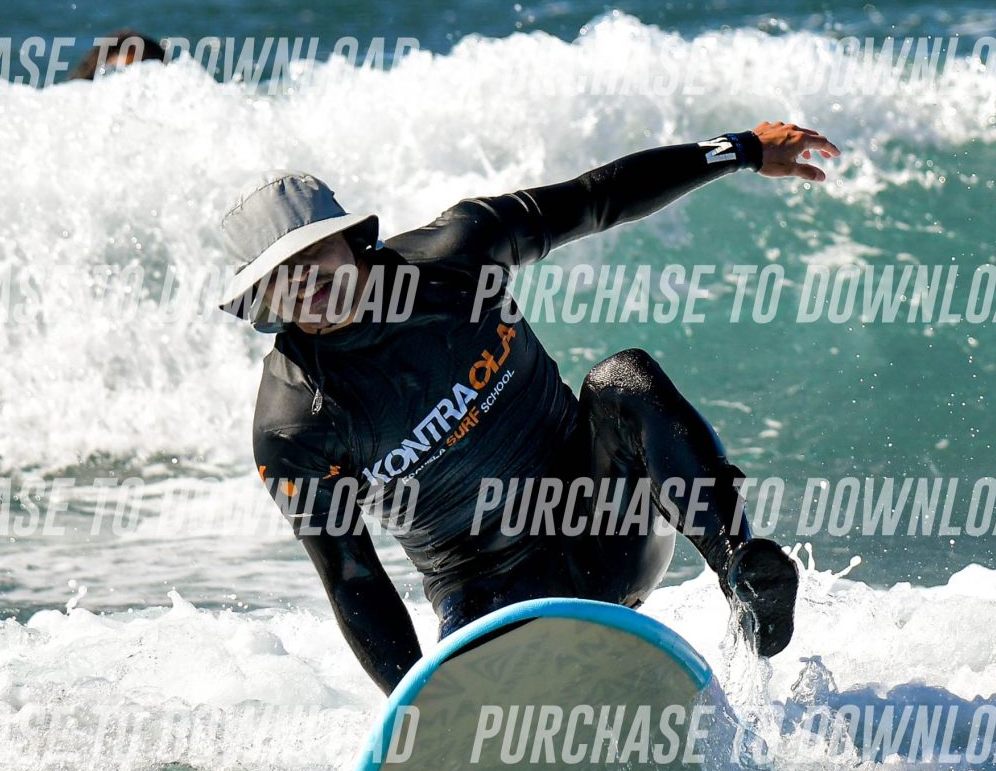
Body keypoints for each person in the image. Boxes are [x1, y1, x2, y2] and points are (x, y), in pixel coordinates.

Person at [218, 123, 840, 694]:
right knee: (464, 688)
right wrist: (420, 710)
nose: (306, 280)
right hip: (488, 606)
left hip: (607, 534)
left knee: (624, 378)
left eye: (314, 253)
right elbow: (354, 579)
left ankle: (743, 571)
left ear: (352, 240)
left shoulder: (455, 256)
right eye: (281, 273)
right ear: (263, 296)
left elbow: (597, 198)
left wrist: (742, 150)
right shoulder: (292, 427)